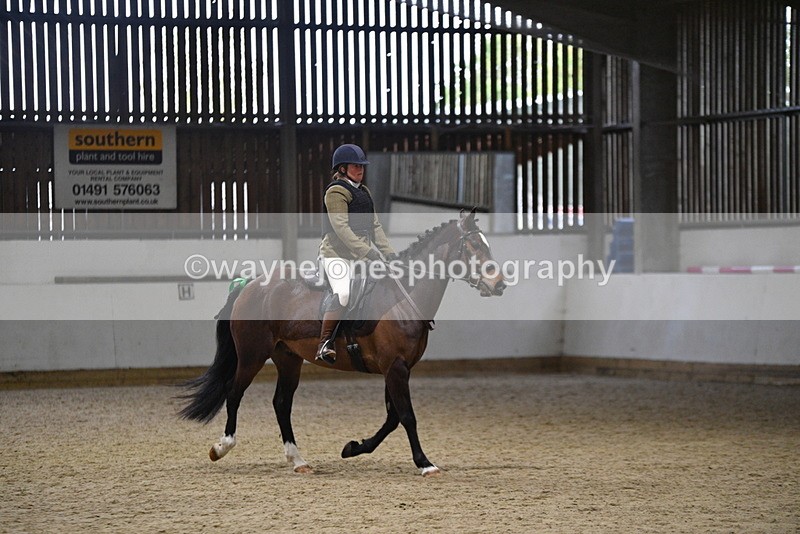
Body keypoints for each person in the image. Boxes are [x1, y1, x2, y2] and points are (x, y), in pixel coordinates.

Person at [316, 143, 396, 363]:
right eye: (355, 166)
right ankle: (324, 343)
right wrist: (368, 252)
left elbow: (375, 226)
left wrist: (389, 253)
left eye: (362, 166)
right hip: (336, 254)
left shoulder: (363, 191)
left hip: (361, 255)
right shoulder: (336, 192)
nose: (361, 170)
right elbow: (342, 229)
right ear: (342, 168)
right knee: (343, 293)